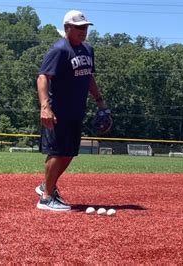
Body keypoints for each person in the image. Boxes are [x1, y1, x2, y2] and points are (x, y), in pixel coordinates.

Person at [35, 10, 108, 211]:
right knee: (57, 152)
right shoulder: (59, 50)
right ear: (67, 27)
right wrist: (45, 107)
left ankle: (45, 187)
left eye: (85, 27)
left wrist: (100, 102)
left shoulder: (87, 49)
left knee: (69, 153)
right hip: (58, 111)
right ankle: (46, 198)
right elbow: (43, 77)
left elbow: (88, 77)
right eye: (78, 27)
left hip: (77, 110)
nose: (83, 31)